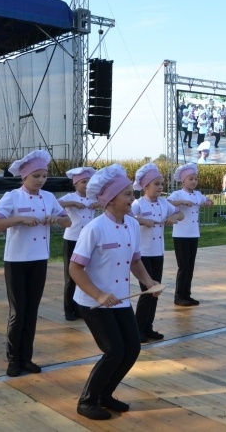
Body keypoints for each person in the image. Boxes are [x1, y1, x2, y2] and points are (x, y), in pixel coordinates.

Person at [68, 164, 162, 420]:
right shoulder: (94, 228)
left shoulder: (132, 224)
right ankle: (87, 401)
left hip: (120, 299)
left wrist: (149, 282)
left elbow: (135, 261)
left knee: (132, 349)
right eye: (127, 195)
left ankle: (105, 394)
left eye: (131, 194)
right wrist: (98, 295)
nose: (132, 198)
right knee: (114, 351)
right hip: (94, 302)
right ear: (110, 200)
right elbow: (75, 269)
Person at [0, 150, 71, 377]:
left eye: (44, 176)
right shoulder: (12, 196)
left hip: (39, 259)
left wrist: (57, 218)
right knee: (18, 312)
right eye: (36, 176)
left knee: (32, 311)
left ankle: (27, 358)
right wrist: (19, 219)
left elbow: (68, 222)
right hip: (16, 260)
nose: (41, 180)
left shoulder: (49, 197)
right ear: (24, 177)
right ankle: (13, 359)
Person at [131, 163, 184, 340]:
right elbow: (127, 217)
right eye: (156, 184)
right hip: (143, 254)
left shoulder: (164, 203)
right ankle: (138, 330)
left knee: (156, 291)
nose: (160, 187)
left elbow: (181, 214)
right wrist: (142, 220)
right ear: (145, 186)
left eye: (161, 184)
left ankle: (148, 328)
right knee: (148, 291)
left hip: (157, 253)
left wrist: (173, 217)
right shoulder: (138, 204)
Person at [167, 163, 213, 306]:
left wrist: (209, 202)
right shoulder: (178, 194)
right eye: (190, 179)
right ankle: (179, 296)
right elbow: (168, 203)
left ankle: (187, 295)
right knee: (183, 266)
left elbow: (208, 200)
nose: (194, 181)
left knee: (190, 266)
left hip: (193, 234)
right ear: (183, 181)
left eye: (195, 179)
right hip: (181, 235)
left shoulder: (198, 194)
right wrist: (182, 202)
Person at [59, 166, 100, 321]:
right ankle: (68, 309)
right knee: (71, 276)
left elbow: (106, 201)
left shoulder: (93, 198)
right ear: (75, 184)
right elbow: (56, 203)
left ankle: (80, 308)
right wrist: (73, 203)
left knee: (85, 274)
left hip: (88, 240)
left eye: (89, 182)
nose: (86, 185)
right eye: (83, 182)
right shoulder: (70, 197)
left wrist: (98, 204)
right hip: (72, 239)